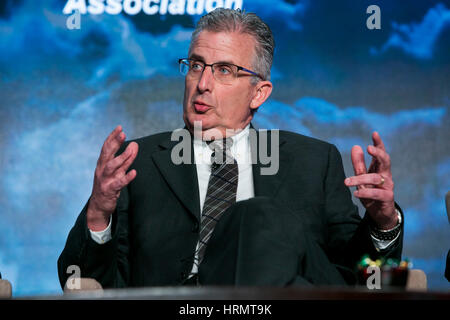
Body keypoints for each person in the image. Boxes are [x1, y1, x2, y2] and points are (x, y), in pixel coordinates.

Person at [58, 8, 403, 289]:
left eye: (224, 70)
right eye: (195, 66)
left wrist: (382, 223)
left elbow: (358, 277)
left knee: (256, 216)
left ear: (259, 93)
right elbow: (84, 282)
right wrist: (99, 215)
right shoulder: (138, 163)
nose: (202, 84)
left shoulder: (314, 161)